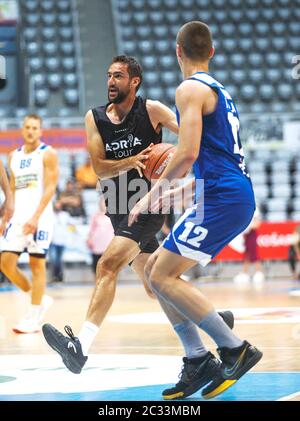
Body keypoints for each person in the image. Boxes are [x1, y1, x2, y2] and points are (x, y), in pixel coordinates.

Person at [42, 55, 233, 392]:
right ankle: (213, 323)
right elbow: (100, 168)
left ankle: (80, 348)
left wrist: (173, 162)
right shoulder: (95, 118)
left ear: (135, 82)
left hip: (145, 206)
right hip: (118, 207)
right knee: (152, 284)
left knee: (107, 266)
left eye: (118, 75)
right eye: (108, 75)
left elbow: (192, 140)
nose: (111, 81)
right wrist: (133, 160)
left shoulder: (153, 110)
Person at [129, 21, 263, 399]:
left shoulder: (189, 88)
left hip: (224, 196)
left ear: (177, 51)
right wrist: (178, 193)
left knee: (162, 276)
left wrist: (151, 194)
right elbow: (215, 161)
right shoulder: (220, 90)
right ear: (212, 52)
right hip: (224, 191)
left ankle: (234, 347)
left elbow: (186, 153)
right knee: (155, 271)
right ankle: (197, 357)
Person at [1, 114, 58, 333]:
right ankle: (40, 299)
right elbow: (12, 188)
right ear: (22, 130)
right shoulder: (13, 156)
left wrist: (35, 217)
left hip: (40, 217)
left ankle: (33, 317)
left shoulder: (47, 153)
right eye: (27, 127)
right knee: (5, 263)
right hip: (18, 217)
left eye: (35, 127)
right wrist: (7, 214)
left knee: (36, 265)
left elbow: (51, 187)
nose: (31, 131)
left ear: (40, 131)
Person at [234, 209, 265, 287]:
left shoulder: (256, 214)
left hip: (252, 235)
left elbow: (256, 225)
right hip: (247, 235)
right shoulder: (248, 213)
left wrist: (249, 226)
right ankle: (245, 272)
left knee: (254, 254)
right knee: (247, 254)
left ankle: (258, 272)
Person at [87, 197, 114, 274]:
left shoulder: (112, 215)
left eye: (105, 203)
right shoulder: (95, 216)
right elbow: (91, 229)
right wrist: (89, 239)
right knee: (96, 264)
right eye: (102, 203)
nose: (103, 205)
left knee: (108, 264)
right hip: (97, 242)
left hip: (108, 242)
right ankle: (96, 282)